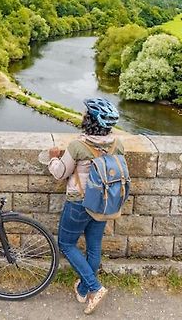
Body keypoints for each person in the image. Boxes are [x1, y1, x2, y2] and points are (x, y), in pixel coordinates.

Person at [47, 98, 123, 315]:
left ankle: (95, 287)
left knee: (66, 243)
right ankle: (82, 289)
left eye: (85, 114)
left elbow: (60, 173)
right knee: (94, 246)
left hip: (79, 203)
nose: (82, 115)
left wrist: (53, 159)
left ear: (90, 120)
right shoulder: (118, 144)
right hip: (104, 202)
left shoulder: (78, 146)